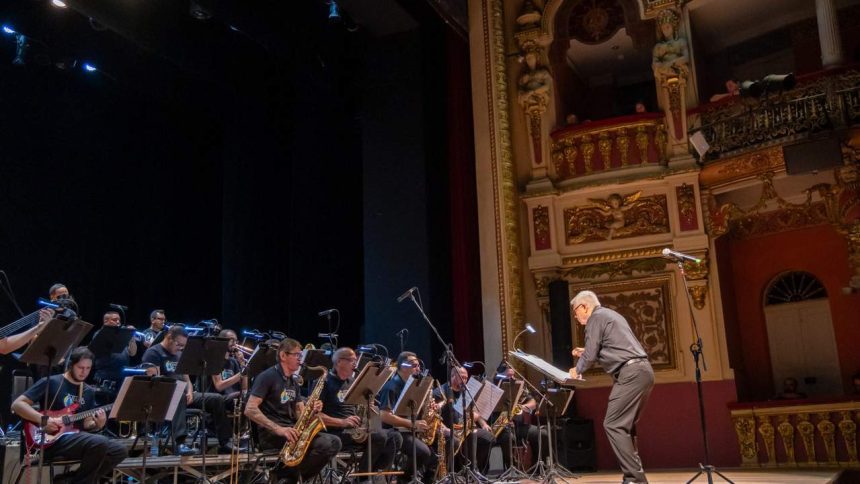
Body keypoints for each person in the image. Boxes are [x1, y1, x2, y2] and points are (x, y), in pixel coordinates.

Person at [568, 290, 654, 484]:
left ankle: (635, 479)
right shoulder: (610, 315)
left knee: (613, 424)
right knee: (625, 426)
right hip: (643, 372)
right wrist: (589, 352)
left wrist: (577, 369)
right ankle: (633, 477)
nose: (575, 316)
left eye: (575, 311)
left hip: (630, 374)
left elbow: (590, 356)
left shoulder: (595, 318)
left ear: (584, 306)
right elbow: (612, 348)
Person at [11, 347, 127, 483]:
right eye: (80, 367)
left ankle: (69, 480)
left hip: (75, 439)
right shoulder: (51, 382)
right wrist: (42, 420)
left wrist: (97, 425)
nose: (84, 372)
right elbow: (17, 405)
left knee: (120, 450)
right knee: (99, 443)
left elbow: (86, 424)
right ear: (71, 365)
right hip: (51, 440)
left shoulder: (88, 391)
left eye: (88, 368)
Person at [244, 338, 341, 483]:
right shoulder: (267, 377)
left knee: (334, 442)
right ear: (283, 356)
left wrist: (312, 409)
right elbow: (250, 409)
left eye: (300, 355)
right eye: (296, 355)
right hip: (273, 435)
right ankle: (287, 475)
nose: (300, 359)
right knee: (325, 444)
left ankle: (289, 477)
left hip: (292, 432)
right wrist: (279, 429)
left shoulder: (293, 381)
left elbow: (299, 413)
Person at [142, 325, 235, 455]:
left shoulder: (179, 355)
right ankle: (180, 443)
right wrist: (179, 390)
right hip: (165, 396)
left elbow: (187, 379)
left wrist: (190, 391)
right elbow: (155, 382)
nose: (180, 348)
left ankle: (225, 442)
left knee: (217, 399)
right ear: (169, 338)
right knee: (178, 393)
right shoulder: (153, 353)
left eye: (183, 346)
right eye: (179, 345)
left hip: (185, 394)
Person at [318, 347, 401, 475]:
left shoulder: (353, 382)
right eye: (352, 360)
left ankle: (374, 473)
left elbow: (361, 409)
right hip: (336, 431)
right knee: (379, 436)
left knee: (395, 437)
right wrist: (342, 422)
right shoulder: (324, 382)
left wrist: (367, 405)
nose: (356, 364)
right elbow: (316, 415)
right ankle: (362, 478)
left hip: (355, 430)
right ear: (339, 362)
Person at [377, 351, 438, 482]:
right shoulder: (391, 387)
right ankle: (404, 479)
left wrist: (429, 406)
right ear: (403, 366)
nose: (419, 369)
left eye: (418, 365)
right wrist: (412, 424)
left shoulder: (413, 386)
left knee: (436, 456)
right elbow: (384, 416)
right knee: (423, 452)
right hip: (395, 432)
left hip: (412, 430)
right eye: (415, 366)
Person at [433, 366, 494, 472]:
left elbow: (473, 410)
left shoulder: (465, 392)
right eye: (462, 377)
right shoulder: (440, 392)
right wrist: (446, 429)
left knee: (488, 438)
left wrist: (482, 423)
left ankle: (476, 470)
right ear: (452, 376)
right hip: (446, 429)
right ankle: (457, 471)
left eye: (466, 378)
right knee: (462, 438)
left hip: (462, 428)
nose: (464, 380)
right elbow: (434, 417)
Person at [91, 311, 137, 397]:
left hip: (121, 378)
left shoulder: (122, 334)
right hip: (105, 378)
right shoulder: (99, 334)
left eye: (119, 320)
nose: (118, 322)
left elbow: (132, 353)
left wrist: (132, 338)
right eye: (115, 320)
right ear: (106, 321)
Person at [211, 329, 248, 411]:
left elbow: (244, 388)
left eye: (236, 340)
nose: (235, 343)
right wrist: (241, 374)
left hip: (234, 397)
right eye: (232, 340)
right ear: (222, 341)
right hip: (219, 398)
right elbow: (219, 386)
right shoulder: (214, 359)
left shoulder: (233, 361)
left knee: (252, 395)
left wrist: (242, 364)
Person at [651, 8, 689, 79]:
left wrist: (671, 63)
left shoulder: (680, 42)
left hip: (678, 68)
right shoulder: (658, 47)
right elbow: (655, 62)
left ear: (673, 26)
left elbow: (686, 57)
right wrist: (659, 65)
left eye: (667, 27)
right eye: (663, 28)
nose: (665, 30)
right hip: (663, 70)